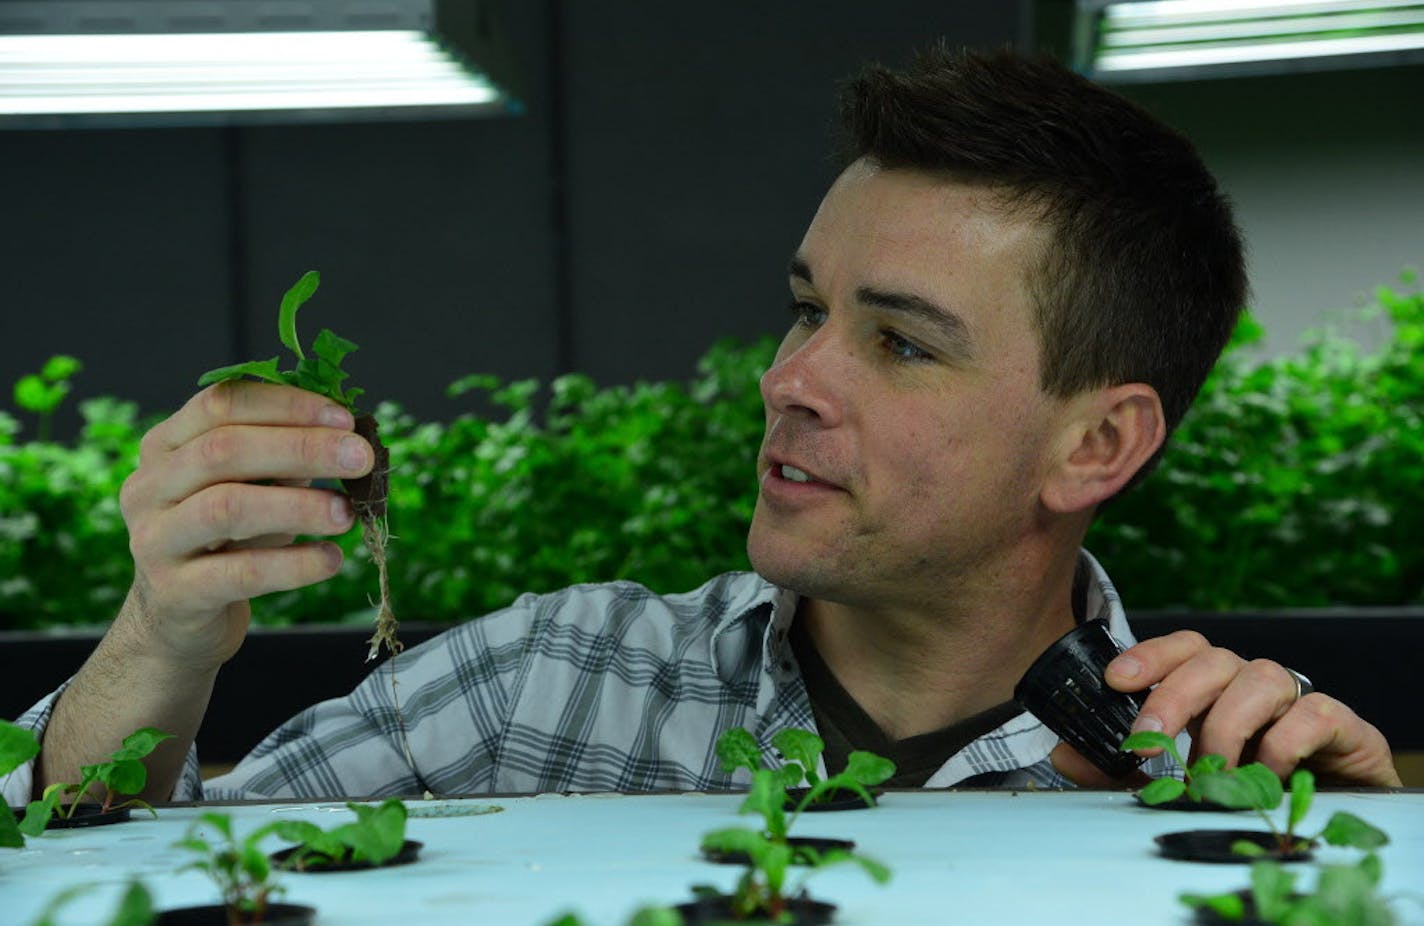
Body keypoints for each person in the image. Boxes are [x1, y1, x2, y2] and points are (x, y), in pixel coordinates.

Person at [5, 45, 1400, 805]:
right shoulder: (547, 677)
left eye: (900, 340)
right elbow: (86, 860)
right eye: (808, 308)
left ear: (1095, 446)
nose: (788, 377)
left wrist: (1375, 841)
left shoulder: (1209, 766)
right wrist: (157, 640)